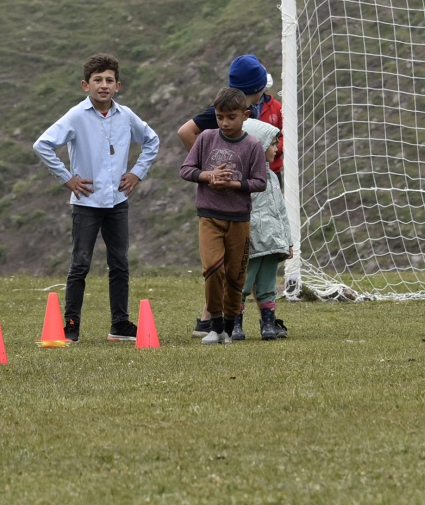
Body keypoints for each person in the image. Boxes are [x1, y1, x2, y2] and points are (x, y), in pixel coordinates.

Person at [33, 52, 161, 343]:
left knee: (120, 264)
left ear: (118, 86)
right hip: (86, 203)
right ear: (85, 85)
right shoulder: (76, 116)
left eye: (109, 80)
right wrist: (67, 178)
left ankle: (120, 324)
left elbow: (152, 140)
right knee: (80, 264)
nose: (103, 85)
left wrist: (137, 172)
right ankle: (71, 325)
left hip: (117, 202)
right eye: (97, 80)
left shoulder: (126, 115)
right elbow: (42, 145)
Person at [176, 54, 282, 337]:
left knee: (248, 258)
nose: (225, 121)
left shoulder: (255, 112)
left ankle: (257, 316)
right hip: (221, 201)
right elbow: (186, 131)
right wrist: (210, 171)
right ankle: (211, 319)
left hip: (249, 194)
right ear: (256, 88)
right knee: (218, 264)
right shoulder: (225, 112)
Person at [235, 118, 292, 340]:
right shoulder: (245, 178)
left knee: (268, 285)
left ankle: (268, 324)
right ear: (258, 145)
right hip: (251, 243)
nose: (277, 148)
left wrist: (287, 241)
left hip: (272, 244)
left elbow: (281, 212)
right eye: (273, 143)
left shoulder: (273, 177)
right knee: (242, 284)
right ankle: (235, 325)